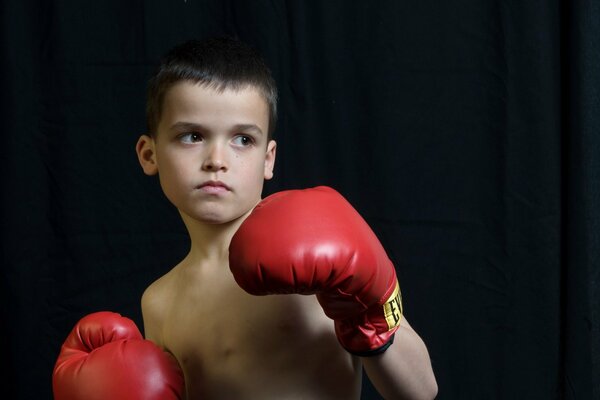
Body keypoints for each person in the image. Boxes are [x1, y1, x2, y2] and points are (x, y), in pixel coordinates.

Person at [53, 36, 438, 400]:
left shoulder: (320, 255)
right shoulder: (159, 300)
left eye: (243, 139)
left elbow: (421, 392)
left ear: (268, 159)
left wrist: (369, 319)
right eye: (191, 136)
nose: (217, 160)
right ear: (149, 155)